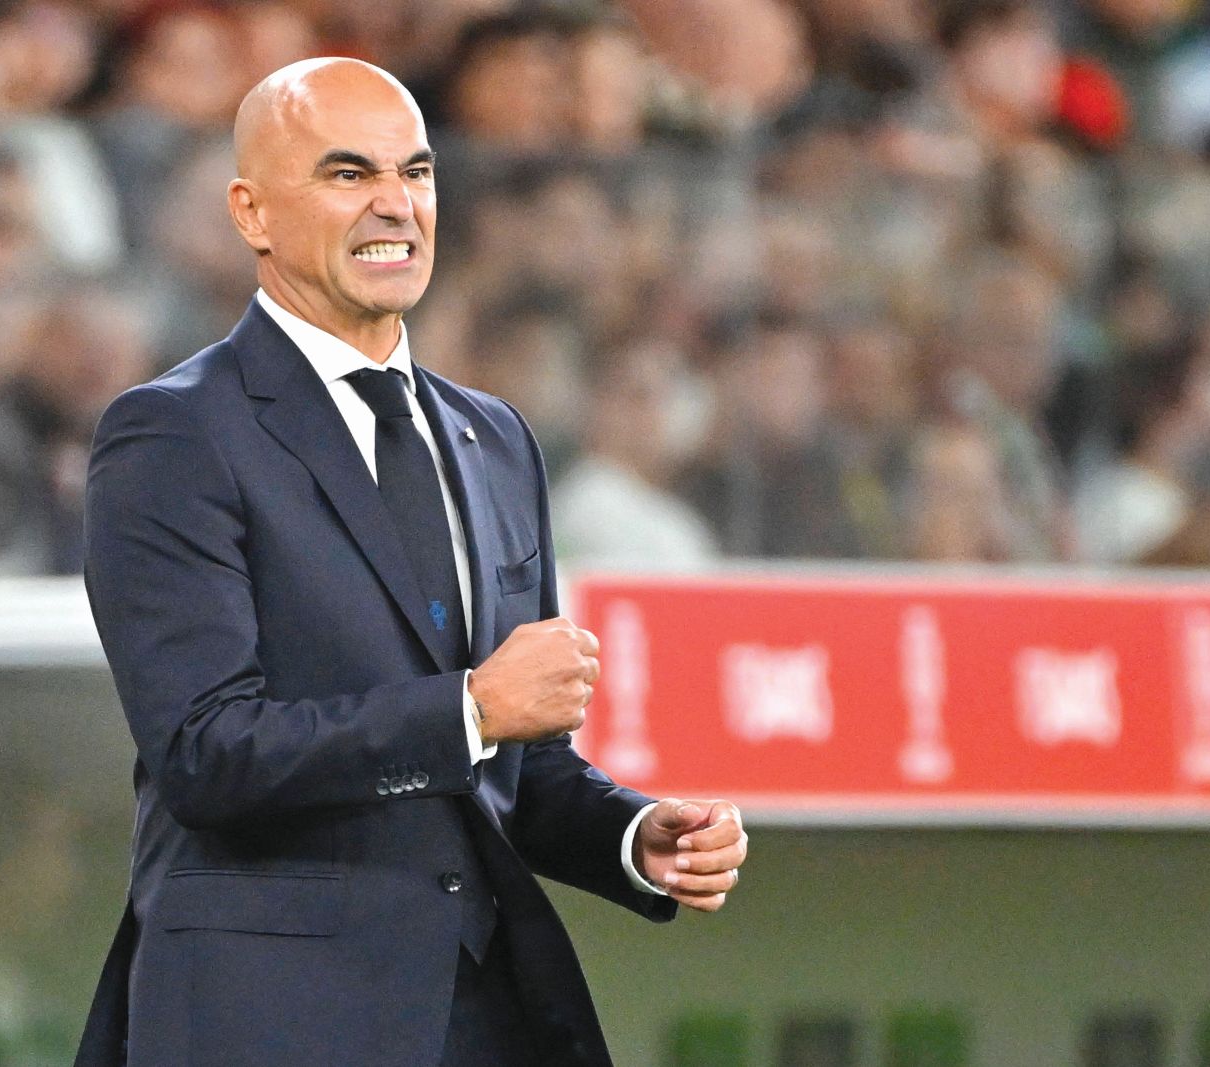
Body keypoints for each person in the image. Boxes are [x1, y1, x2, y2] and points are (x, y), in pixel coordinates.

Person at [77, 58, 747, 1067]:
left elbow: (517, 763)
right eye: (347, 174)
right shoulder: (174, 435)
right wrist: (471, 707)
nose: (395, 202)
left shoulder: (494, 438)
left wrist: (630, 835)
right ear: (252, 212)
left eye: (416, 171)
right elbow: (207, 751)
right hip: (272, 1020)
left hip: (485, 1013)